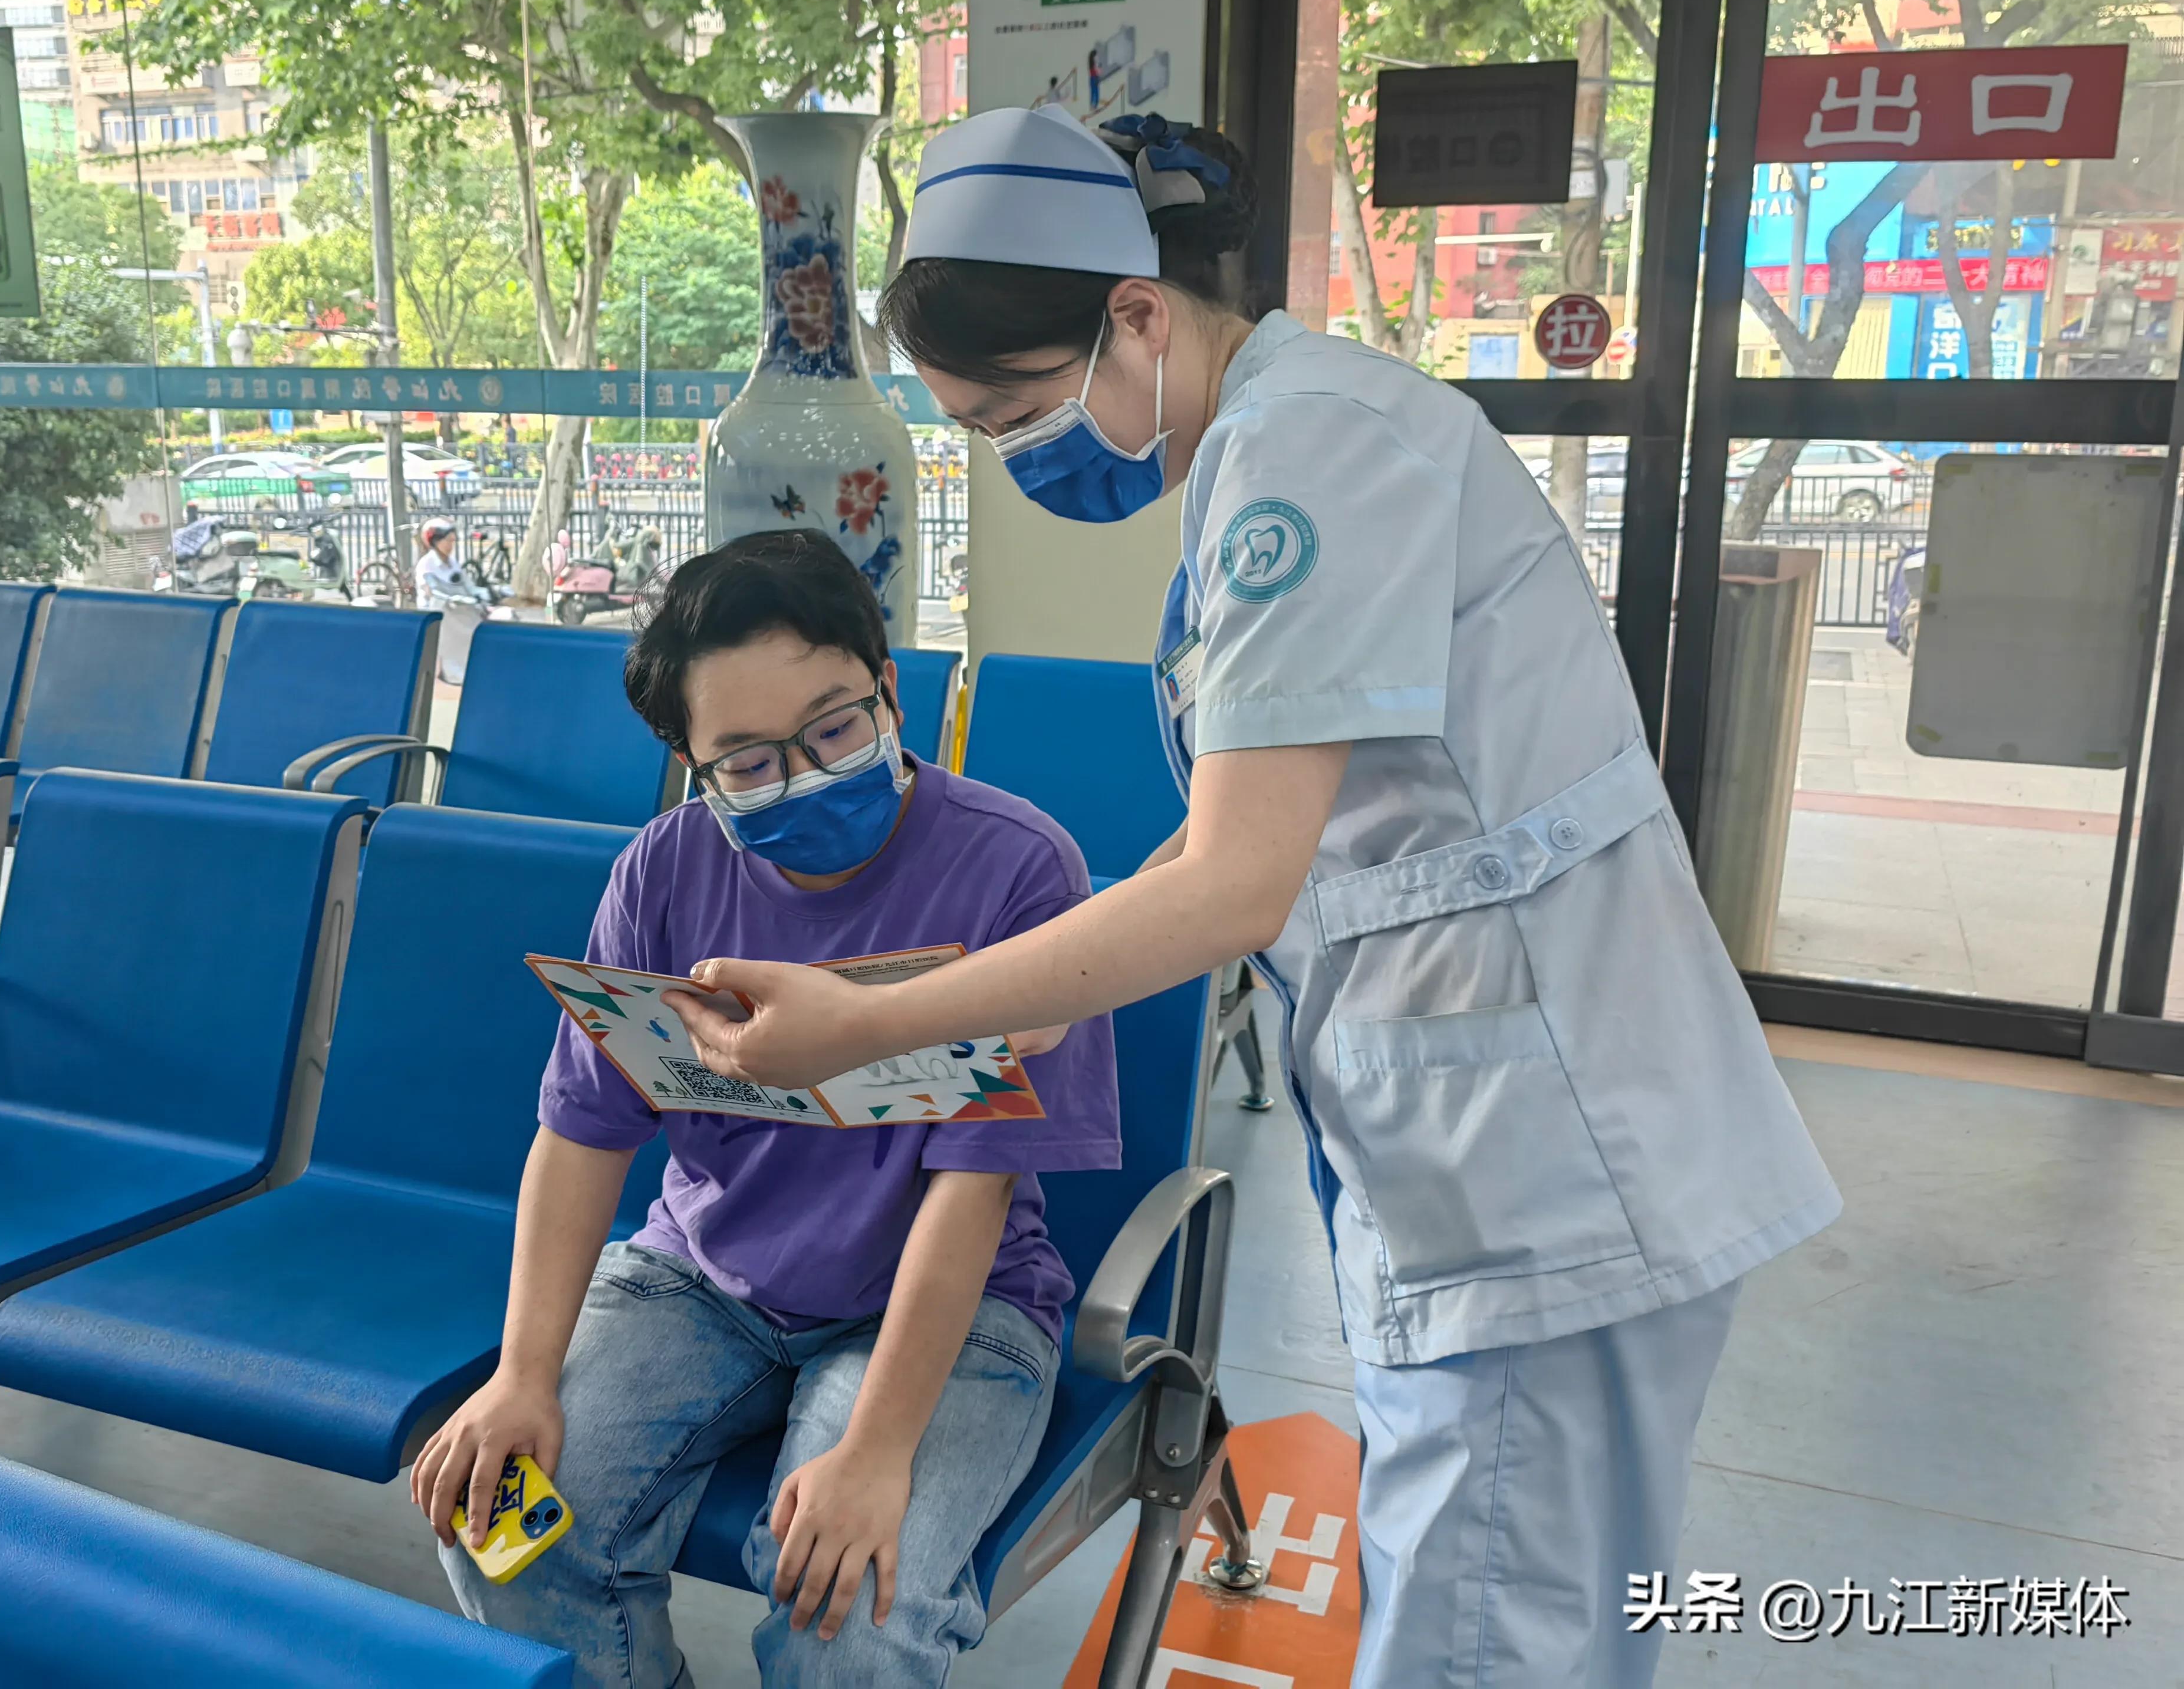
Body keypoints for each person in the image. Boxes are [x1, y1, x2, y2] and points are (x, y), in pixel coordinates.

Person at [666, 106, 1844, 1687]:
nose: (1021, 460)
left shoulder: (1308, 461)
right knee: (1479, 1596)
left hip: (1549, 1154)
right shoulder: (1280, 442)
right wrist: (992, 962)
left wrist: (873, 1017)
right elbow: (1245, 829)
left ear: (1137, 318)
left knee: (1494, 1633)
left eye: (1016, 413)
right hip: (1479, 1129)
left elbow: (1234, 887)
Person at [410, 529, 1120, 1689]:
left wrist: (877, 1451)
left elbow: (973, 1185)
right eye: (744, 760)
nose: (802, 774)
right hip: (701, 1278)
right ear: (692, 766)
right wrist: (522, 1373)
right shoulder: (663, 871)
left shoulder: (1017, 873)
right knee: (508, 1528)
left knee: (851, 1613)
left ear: (891, 691)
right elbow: (584, 1131)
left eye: (834, 727)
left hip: (944, 1300)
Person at [414, 516, 485, 611]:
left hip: (456, 614)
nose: (451, 546)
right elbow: (434, 593)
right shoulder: (426, 565)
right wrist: (460, 599)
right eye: (448, 541)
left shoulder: (452, 563)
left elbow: (467, 585)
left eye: (453, 541)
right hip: (434, 617)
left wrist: (485, 593)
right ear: (435, 541)